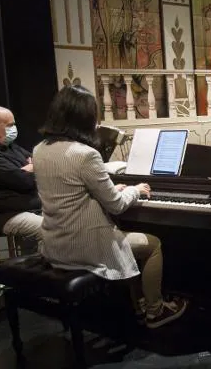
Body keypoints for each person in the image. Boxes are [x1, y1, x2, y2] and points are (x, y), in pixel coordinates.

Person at [32, 85, 187, 329]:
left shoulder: (40, 150)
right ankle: (155, 311)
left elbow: (74, 190)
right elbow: (116, 205)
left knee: (130, 239)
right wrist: (136, 190)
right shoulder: (85, 154)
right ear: (84, 118)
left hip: (56, 243)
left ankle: (138, 305)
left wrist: (118, 189)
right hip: (87, 245)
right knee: (153, 244)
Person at [0, 106, 43, 243]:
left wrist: (29, 167)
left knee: (68, 220)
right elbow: (24, 182)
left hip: (30, 207)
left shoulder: (9, 146)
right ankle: (45, 264)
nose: (14, 129)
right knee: (48, 229)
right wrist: (31, 167)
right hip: (6, 215)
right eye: (10, 125)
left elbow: (36, 159)